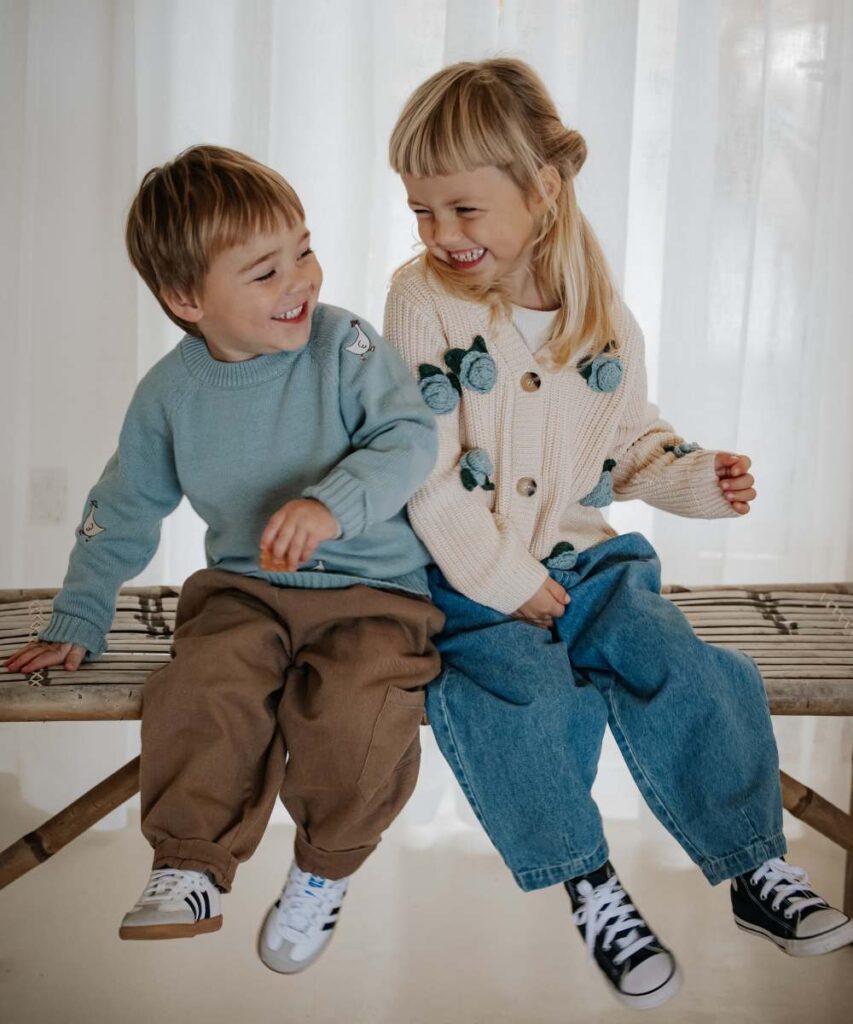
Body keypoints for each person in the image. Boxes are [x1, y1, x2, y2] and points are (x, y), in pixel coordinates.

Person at [382, 59, 853, 1010]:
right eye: (422, 212)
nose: (441, 235)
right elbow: (416, 464)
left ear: (542, 189)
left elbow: (626, 442)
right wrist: (498, 575)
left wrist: (695, 476)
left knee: (684, 664)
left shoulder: (603, 318)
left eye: (464, 211)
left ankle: (751, 867)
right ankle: (589, 885)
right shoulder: (419, 299)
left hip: (592, 564)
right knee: (513, 697)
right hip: (467, 570)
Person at [5, 145, 443, 975]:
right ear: (186, 298)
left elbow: (409, 436)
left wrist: (332, 504)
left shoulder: (344, 347)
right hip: (246, 593)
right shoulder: (170, 396)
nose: (300, 282)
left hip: (373, 596)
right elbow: (124, 505)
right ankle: (190, 864)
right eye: (265, 271)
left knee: (356, 715)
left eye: (303, 250)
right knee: (203, 689)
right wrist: (81, 610)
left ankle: (323, 868)